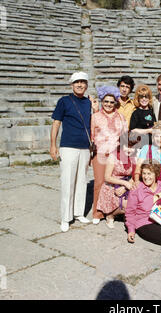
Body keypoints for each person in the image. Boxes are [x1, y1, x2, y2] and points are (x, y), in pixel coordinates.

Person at [50, 71, 99, 232]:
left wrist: (95, 108)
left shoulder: (88, 103)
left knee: (81, 181)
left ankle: (78, 213)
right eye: (77, 82)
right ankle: (65, 217)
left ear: (86, 85)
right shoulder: (64, 101)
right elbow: (56, 123)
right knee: (67, 181)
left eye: (83, 82)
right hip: (68, 146)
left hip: (85, 147)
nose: (80, 85)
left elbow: (94, 124)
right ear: (72, 85)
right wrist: (53, 145)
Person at [91, 85, 128, 225]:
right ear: (101, 101)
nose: (108, 104)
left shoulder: (121, 117)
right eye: (106, 101)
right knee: (99, 183)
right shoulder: (95, 117)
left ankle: (112, 211)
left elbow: (125, 137)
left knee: (114, 183)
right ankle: (98, 212)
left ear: (115, 103)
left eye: (111, 102)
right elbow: (92, 136)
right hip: (100, 154)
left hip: (116, 155)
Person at [96, 132, 138, 229]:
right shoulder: (113, 156)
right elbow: (107, 177)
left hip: (126, 184)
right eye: (127, 146)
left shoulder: (132, 157)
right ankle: (110, 215)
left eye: (132, 147)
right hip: (111, 185)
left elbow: (134, 175)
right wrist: (123, 183)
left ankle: (124, 214)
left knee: (135, 202)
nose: (129, 150)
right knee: (127, 205)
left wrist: (125, 186)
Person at [129, 84, 156, 148]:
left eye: (146, 97)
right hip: (140, 145)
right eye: (141, 97)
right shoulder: (136, 113)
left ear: (149, 98)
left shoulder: (152, 111)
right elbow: (133, 130)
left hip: (152, 145)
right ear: (138, 99)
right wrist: (149, 131)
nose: (144, 99)